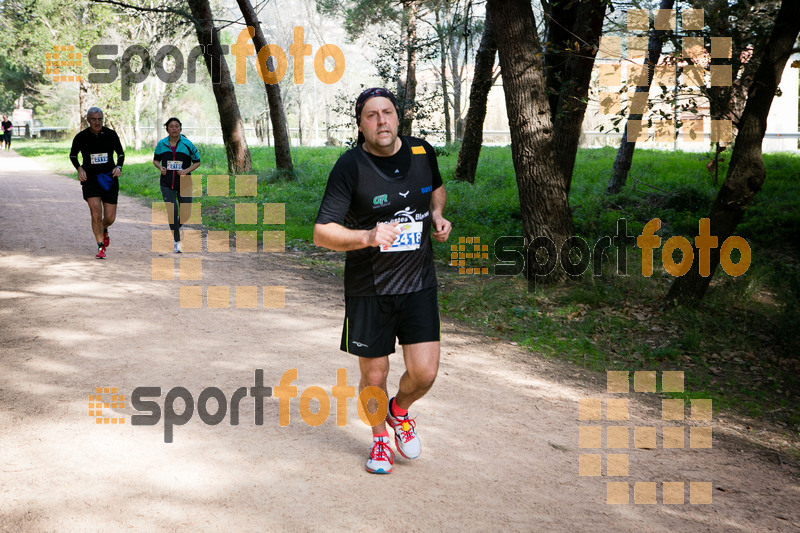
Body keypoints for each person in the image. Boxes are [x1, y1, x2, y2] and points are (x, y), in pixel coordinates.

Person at [314, 88, 452, 474]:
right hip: (369, 288)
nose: (381, 121)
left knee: (424, 373)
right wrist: (368, 236)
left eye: (387, 112)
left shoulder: (423, 152)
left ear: (397, 117)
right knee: (374, 374)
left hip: (418, 283)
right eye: (371, 115)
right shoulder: (350, 167)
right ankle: (378, 440)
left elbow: (435, 189)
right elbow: (321, 232)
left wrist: (437, 215)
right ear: (360, 124)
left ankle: (399, 411)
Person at [69, 107, 125, 259]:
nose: (97, 122)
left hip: (109, 178)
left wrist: (118, 167)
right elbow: (73, 155)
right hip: (91, 179)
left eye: (100, 119)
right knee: (95, 213)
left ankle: (104, 228)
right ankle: (101, 246)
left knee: (109, 218)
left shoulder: (111, 134)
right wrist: (79, 168)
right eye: (93, 119)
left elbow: (120, 153)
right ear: (88, 120)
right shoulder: (81, 137)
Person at [152, 117, 201, 253]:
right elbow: (155, 160)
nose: (174, 128)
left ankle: (176, 226)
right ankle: (177, 242)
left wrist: (186, 170)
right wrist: (160, 167)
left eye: (177, 126)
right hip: (167, 183)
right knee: (172, 212)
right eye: (171, 126)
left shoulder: (187, 144)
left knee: (186, 214)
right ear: (167, 129)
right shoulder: (161, 144)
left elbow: (197, 161)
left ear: (180, 128)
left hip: (184, 182)